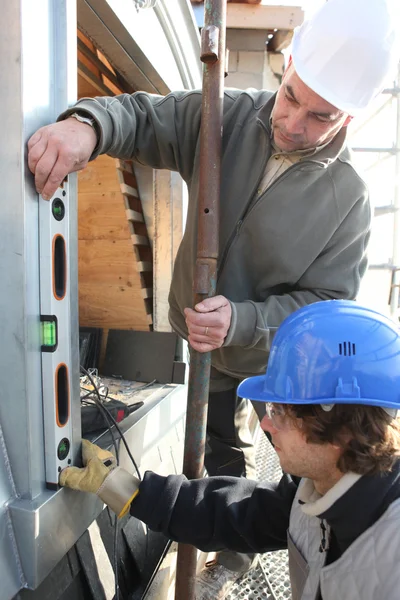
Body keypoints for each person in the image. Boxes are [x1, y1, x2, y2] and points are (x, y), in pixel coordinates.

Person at [27, 0, 399, 594]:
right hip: (192, 338)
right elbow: (145, 119)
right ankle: (201, 526)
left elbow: (326, 306)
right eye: (292, 96)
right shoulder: (227, 115)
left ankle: (231, 562)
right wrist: (87, 125)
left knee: (234, 454)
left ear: (348, 120)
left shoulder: (348, 200)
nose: (293, 121)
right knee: (209, 460)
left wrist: (244, 322)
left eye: (319, 116)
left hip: (254, 358)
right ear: (288, 68)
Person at [60, 299, 400, 600]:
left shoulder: (391, 554)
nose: (266, 424)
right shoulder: (315, 493)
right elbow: (231, 513)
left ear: (341, 429)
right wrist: (125, 489)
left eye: (281, 412)